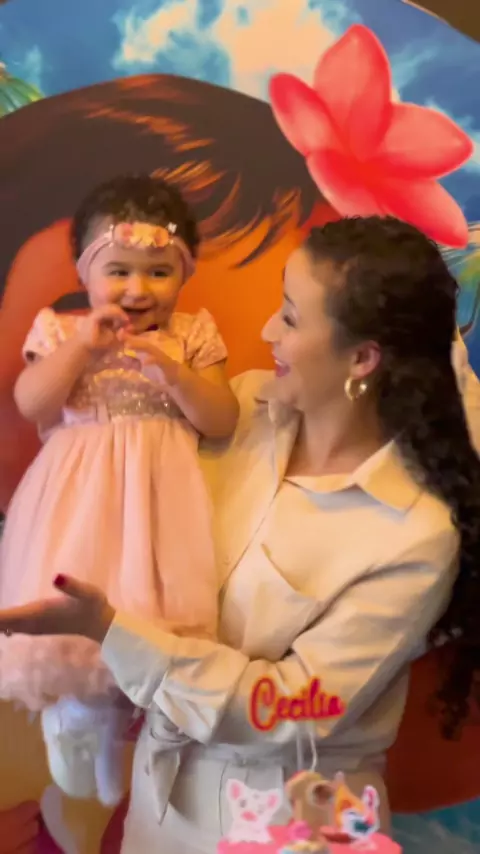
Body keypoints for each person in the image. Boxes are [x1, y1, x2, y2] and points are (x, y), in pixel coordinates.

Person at [0, 173, 239, 809]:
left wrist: (179, 377)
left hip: (162, 503)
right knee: (77, 615)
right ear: (87, 274)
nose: (138, 289)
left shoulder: (192, 334)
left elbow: (221, 419)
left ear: (183, 275)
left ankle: (108, 728)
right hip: (78, 499)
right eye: (119, 271)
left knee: (148, 621)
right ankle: (71, 718)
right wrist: (81, 346)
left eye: (159, 272)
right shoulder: (61, 330)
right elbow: (32, 403)